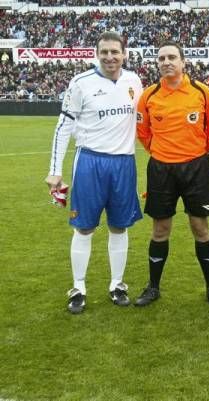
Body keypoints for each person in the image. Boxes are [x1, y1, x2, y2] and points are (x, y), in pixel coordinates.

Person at [45, 31, 143, 314]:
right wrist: (54, 170)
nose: (110, 57)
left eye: (115, 52)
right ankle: (78, 287)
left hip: (124, 163)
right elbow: (63, 128)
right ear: (96, 54)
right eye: (104, 52)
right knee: (84, 226)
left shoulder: (134, 81)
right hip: (90, 162)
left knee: (119, 225)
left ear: (124, 53)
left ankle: (117, 285)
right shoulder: (80, 84)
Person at [135, 41, 209, 307]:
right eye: (161, 58)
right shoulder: (149, 95)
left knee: (200, 227)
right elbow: (143, 133)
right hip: (161, 169)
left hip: (196, 169)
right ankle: (153, 287)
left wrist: (194, 151)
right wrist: (163, 153)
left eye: (172, 57)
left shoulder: (201, 91)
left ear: (183, 62)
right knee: (160, 228)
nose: (166, 62)